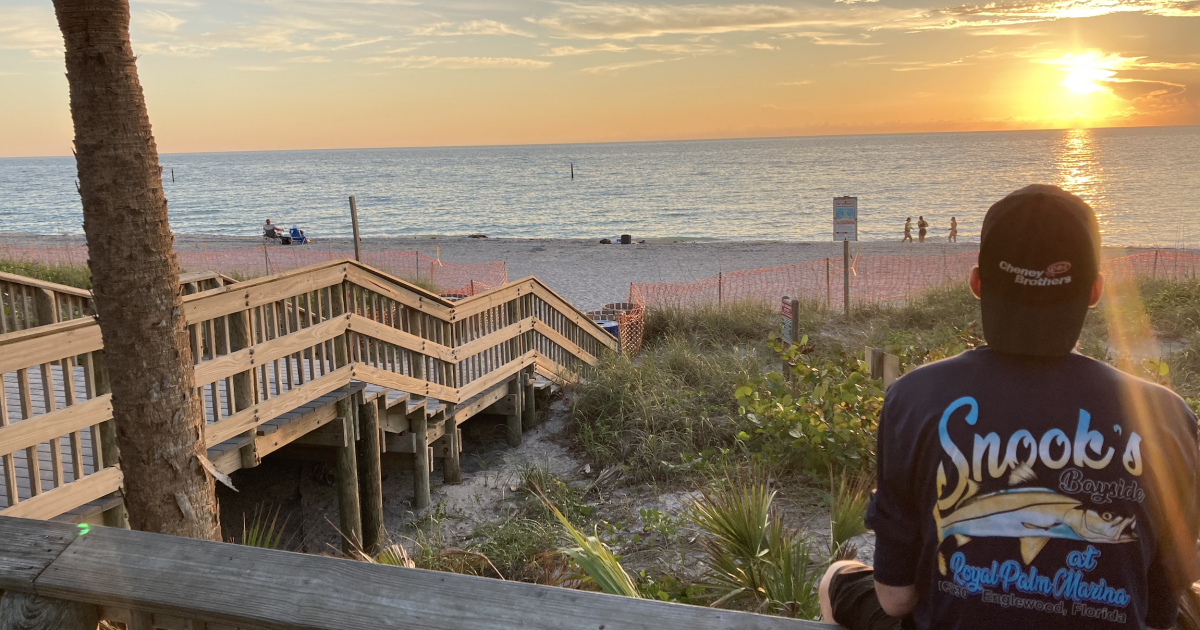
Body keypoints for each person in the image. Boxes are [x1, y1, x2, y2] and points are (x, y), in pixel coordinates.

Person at [818, 184, 1200, 630]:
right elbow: (1172, 587)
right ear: (1095, 291)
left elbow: (896, 599)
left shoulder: (912, 398)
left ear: (977, 282)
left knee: (835, 578)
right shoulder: (1168, 416)